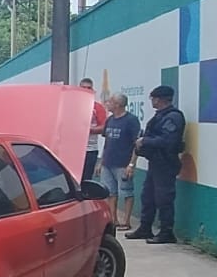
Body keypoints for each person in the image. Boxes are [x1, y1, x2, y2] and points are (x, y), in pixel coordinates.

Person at [126, 85, 186, 244]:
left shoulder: (173, 117)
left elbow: (168, 141)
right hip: (155, 163)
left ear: (160, 99)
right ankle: (145, 227)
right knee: (148, 196)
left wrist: (145, 141)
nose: (152, 101)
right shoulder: (160, 116)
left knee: (164, 198)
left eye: (153, 98)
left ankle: (166, 232)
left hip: (166, 164)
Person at [99, 94, 141, 230]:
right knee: (110, 193)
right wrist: (101, 161)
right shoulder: (110, 120)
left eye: (110, 101)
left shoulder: (131, 121)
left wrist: (131, 164)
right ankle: (113, 219)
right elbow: (107, 142)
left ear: (117, 104)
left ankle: (126, 221)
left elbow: (137, 144)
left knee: (126, 192)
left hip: (123, 163)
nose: (107, 103)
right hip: (108, 163)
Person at [78, 78, 108, 180]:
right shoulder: (71, 105)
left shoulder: (98, 107)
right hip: (73, 150)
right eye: (83, 88)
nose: (86, 90)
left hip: (90, 150)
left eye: (89, 88)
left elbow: (104, 128)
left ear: (92, 90)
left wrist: (88, 130)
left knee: (86, 180)